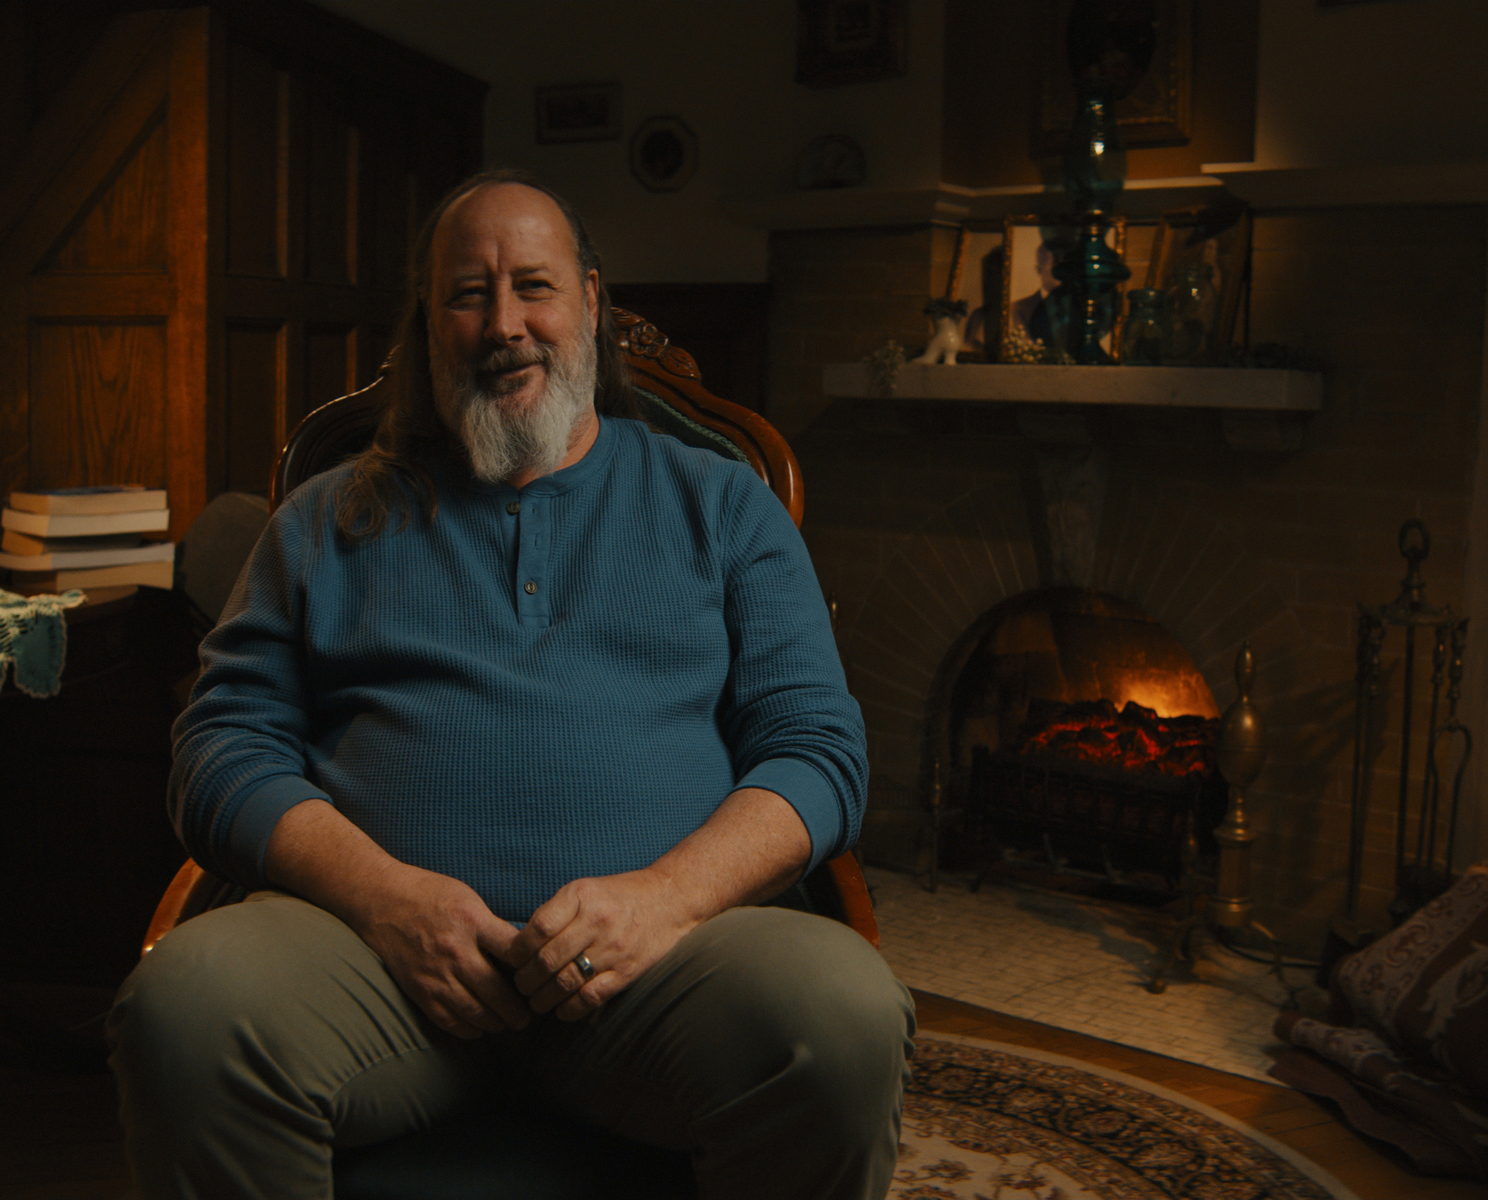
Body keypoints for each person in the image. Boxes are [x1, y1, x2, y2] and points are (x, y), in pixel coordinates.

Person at [108, 169, 914, 1200]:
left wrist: (662, 904)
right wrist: (387, 901)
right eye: (466, 293)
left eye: (533, 286)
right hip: (374, 977)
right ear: (427, 323)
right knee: (185, 1007)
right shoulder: (322, 518)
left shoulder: (721, 507)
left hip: (663, 982)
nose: (504, 325)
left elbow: (820, 754)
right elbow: (218, 751)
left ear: (591, 305)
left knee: (839, 1018)